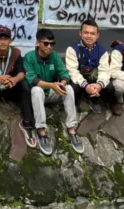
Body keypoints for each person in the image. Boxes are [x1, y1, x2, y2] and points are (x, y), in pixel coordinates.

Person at [24, 28, 84, 156]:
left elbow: (64, 73)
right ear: (37, 43)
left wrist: (62, 84)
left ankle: (71, 129)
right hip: (38, 95)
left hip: (52, 92)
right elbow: (32, 79)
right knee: (36, 90)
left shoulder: (55, 56)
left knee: (68, 88)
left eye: (52, 44)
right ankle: (41, 131)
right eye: (46, 43)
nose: (49, 47)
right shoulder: (29, 57)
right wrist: (51, 85)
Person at [0, 26, 36, 148]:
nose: (3, 41)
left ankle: (27, 123)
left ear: (10, 40)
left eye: (5, 38)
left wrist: (15, 79)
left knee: (25, 84)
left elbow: (21, 72)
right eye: (0, 38)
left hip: (11, 87)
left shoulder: (16, 53)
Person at [65, 18, 111, 114]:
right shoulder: (72, 49)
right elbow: (72, 71)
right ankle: (77, 100)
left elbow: (104, 71)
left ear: (97, 36)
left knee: (110, 87)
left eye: (92, 33)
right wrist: (85, 86)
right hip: (79, 79)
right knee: (73, 87)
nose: (89, 36)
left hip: (94, 78)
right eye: (86, 33)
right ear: (80, 33)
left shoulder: (102, 51)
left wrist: (99, 85)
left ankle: (93, 98)